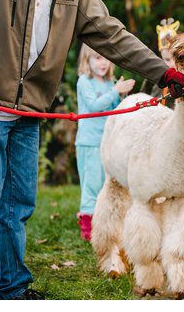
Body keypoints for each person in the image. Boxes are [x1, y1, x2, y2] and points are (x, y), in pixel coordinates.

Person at [0, 0, 184, 300]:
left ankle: (13, 287)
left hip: (29, 112)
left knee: (18, 205)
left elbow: (114, 37)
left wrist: (163, 72)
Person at [74, 45, 135, 241]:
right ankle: (87, 226)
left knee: (106, 185)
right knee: (91, 184)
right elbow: (93, 107)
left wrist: (121, 95)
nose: (103, 62)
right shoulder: (85, 82)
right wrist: (116, 91)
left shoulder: (110, 83)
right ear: (87, 60)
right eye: (98, 58)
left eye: (106, 58)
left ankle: (106, 223)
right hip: (90, 142)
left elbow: (115, 110)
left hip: (108, 143)